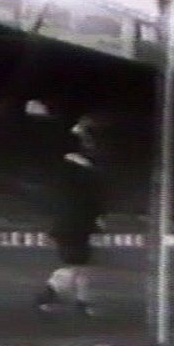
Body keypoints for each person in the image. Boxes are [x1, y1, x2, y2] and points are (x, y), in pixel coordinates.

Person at [34, 134, 106, 319]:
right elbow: (84, 199)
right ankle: (48, 296)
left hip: (75, 225)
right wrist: (97, 216)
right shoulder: (74, 171)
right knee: (76, 267)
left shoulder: (76, 170)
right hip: (73, 225)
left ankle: (81, 303)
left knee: (81, 268)